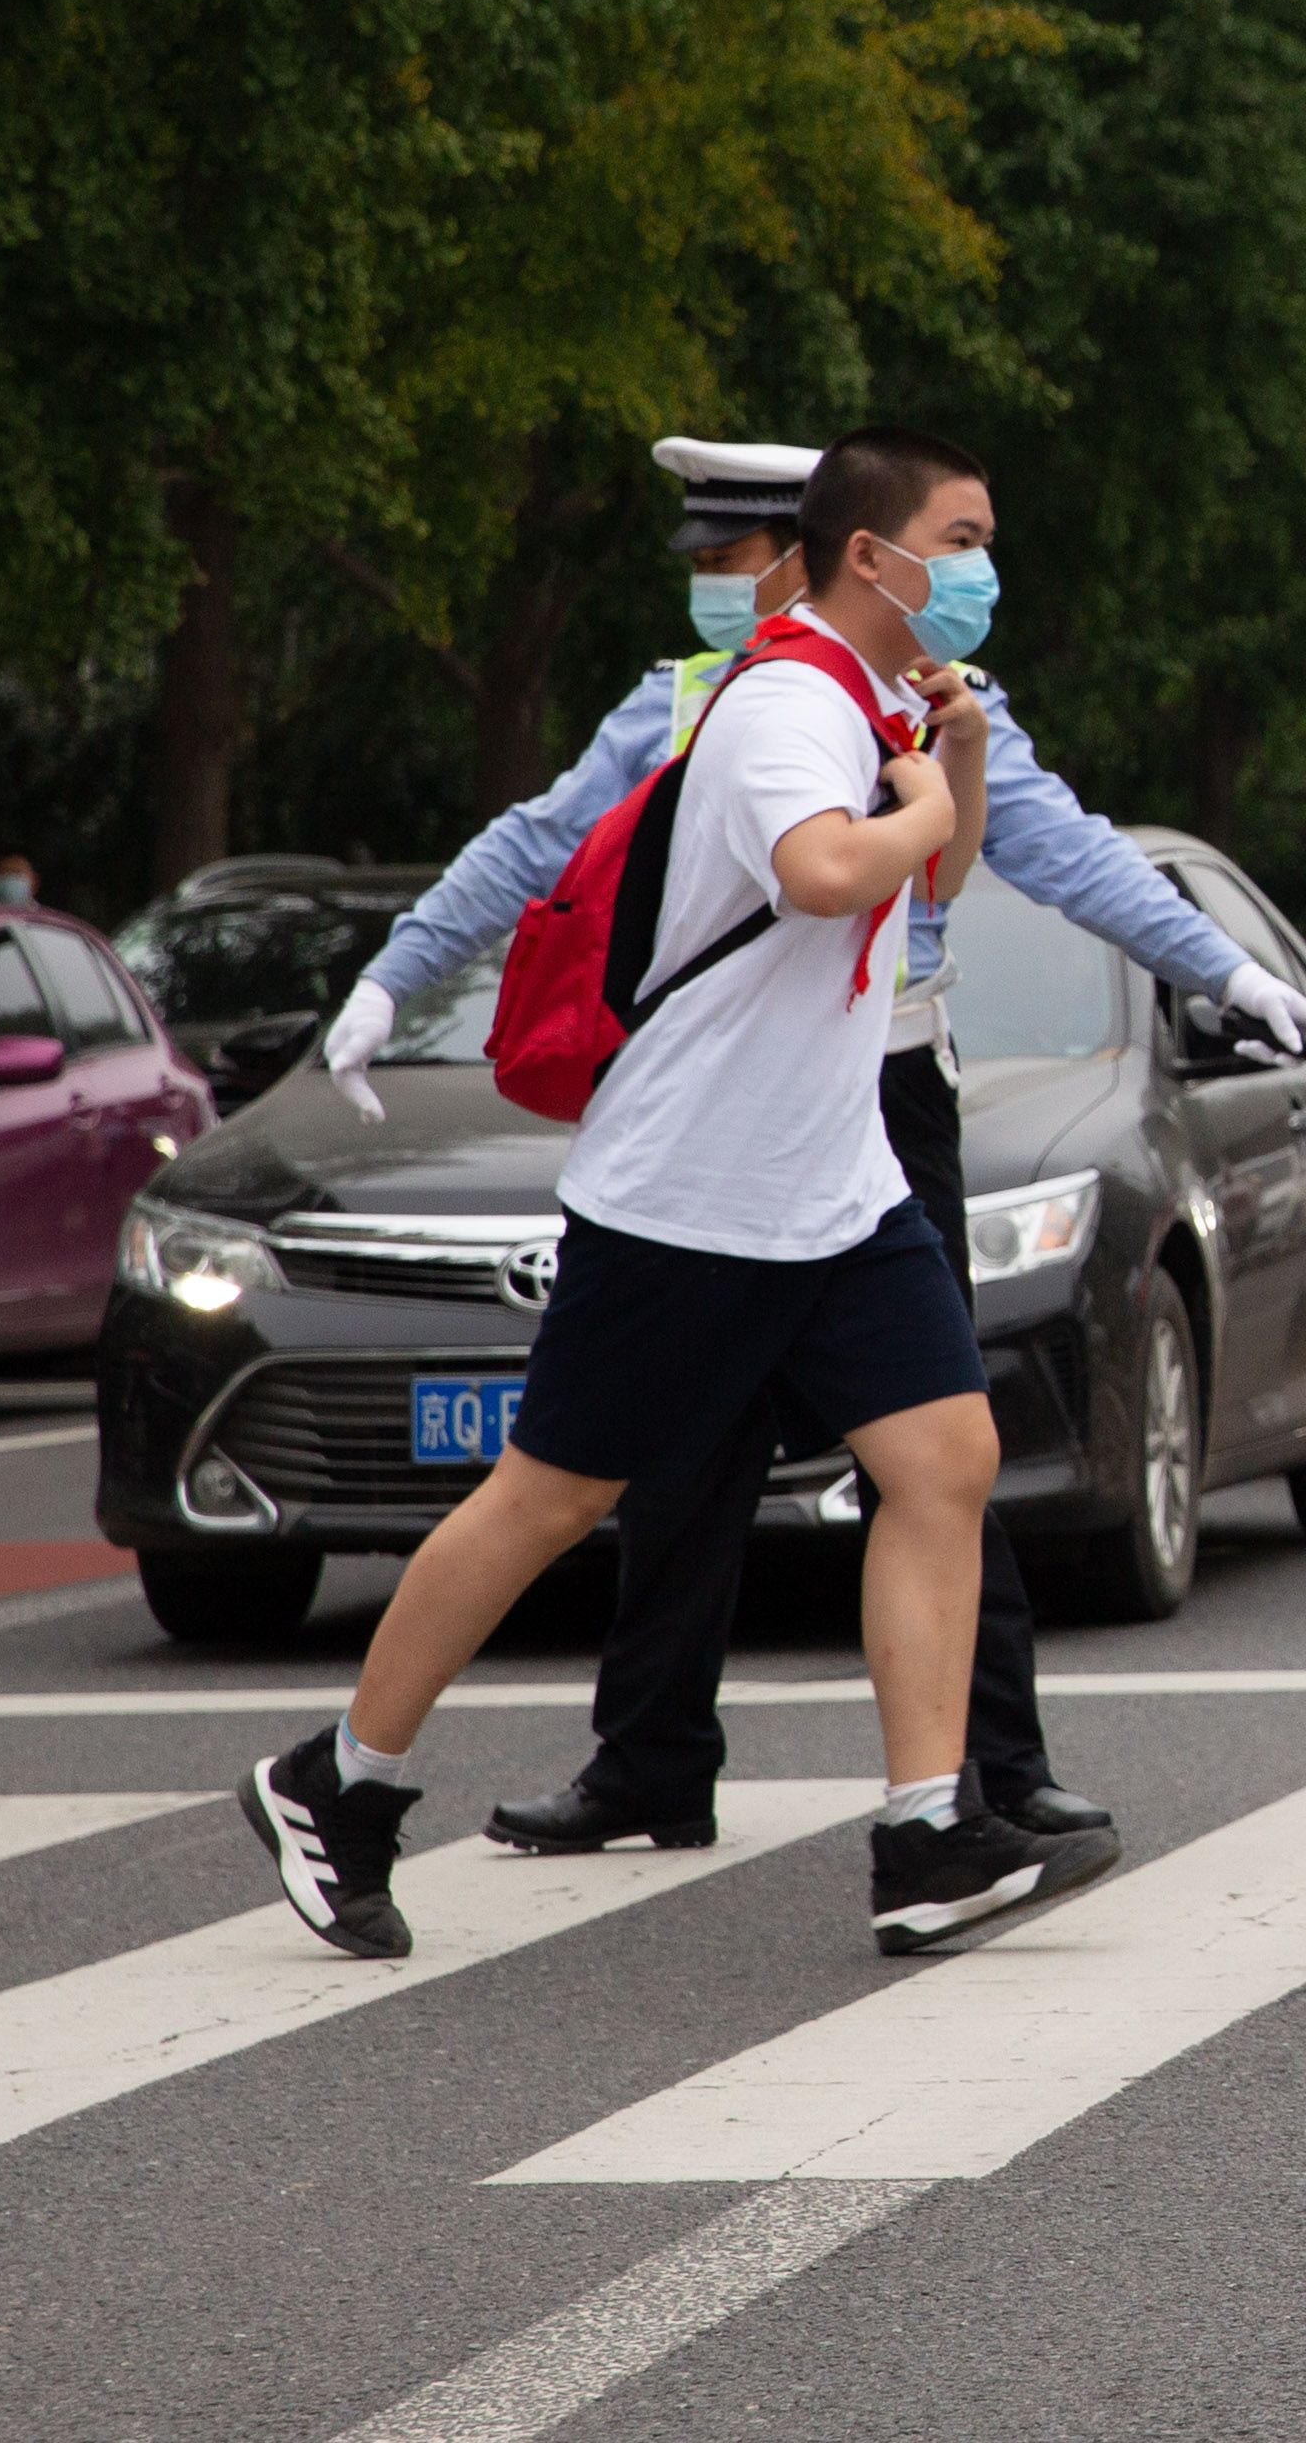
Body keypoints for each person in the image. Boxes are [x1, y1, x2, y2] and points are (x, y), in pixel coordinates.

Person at [320, 435, 1306, 1856]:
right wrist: (393, 974)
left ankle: (962, 1801)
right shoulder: (754, 702)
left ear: (803, 556)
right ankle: (474, 1767)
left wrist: (1229, 975)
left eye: (739, 562)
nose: (719, 592)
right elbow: (659, 856)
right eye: (710, 568)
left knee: (940, 1454)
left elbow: (1041, 855)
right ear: (863, 557)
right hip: (709, 1145)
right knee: (599, 1481)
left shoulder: (915, 701)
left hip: (865, 1120)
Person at [245, 427, 1117, 1958]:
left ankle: (926, 1831)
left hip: (832, 1183)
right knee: (551, 1497)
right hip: (690, 1193)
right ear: (874, 556)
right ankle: (339, 1780)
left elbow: (935, 878)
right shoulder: (784, 699)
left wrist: (955, 765)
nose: (983, 571)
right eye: (963, 538)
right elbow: (831, 873)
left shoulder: (871, 701)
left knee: (943, 1459)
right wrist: (914, 806)